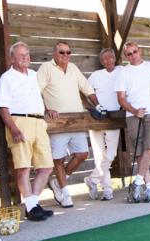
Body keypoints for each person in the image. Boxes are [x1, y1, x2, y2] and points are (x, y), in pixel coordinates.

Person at [36, 41, 102, 208]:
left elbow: (87, 88)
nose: (65, 55)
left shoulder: (72, 67)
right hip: (57, 122)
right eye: (61, 52)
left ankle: (58, 182)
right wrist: (46, 109)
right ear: (54, 54)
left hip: (76, 120)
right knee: (58, 158)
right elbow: (36, 91)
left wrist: (98, 105)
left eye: (68, 52)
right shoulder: (45, 68)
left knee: (82, 154)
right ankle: (65, 194)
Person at [0, 42, 55, 222]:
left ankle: (32, 205)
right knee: (23, 167)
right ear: (12, 58)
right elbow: (2, 107)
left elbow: (37, 97)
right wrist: (13, 128)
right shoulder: (7, 78)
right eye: (21, 55)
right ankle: (32, 207)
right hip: (20, 121)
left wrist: (48, 109)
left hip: (39, 121)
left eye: (27, 54)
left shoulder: (34, 75)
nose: (25, 58)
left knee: (46, 166)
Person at [115, 41, 150, 203]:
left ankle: (137, 182)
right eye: (129, 54)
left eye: (135, 52)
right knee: (141, 153)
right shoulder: (123, 72)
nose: (133, 56)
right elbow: (121, 98)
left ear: (140, 51)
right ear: (125, 56)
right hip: (133, 115)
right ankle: (148, 187)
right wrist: (135, 111)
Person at [85, 48, 121, 201]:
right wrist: (93, 107)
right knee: (99, 156)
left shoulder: (122, 71)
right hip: (97, 118)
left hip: (114, 117)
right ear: (101, 61)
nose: (108, 61)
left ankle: (91, 180)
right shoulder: (95, 75)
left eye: (110, 57)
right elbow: (85, 91)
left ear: (115, 58)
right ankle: (107, 189)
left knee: (110, 154)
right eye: (104, 59)